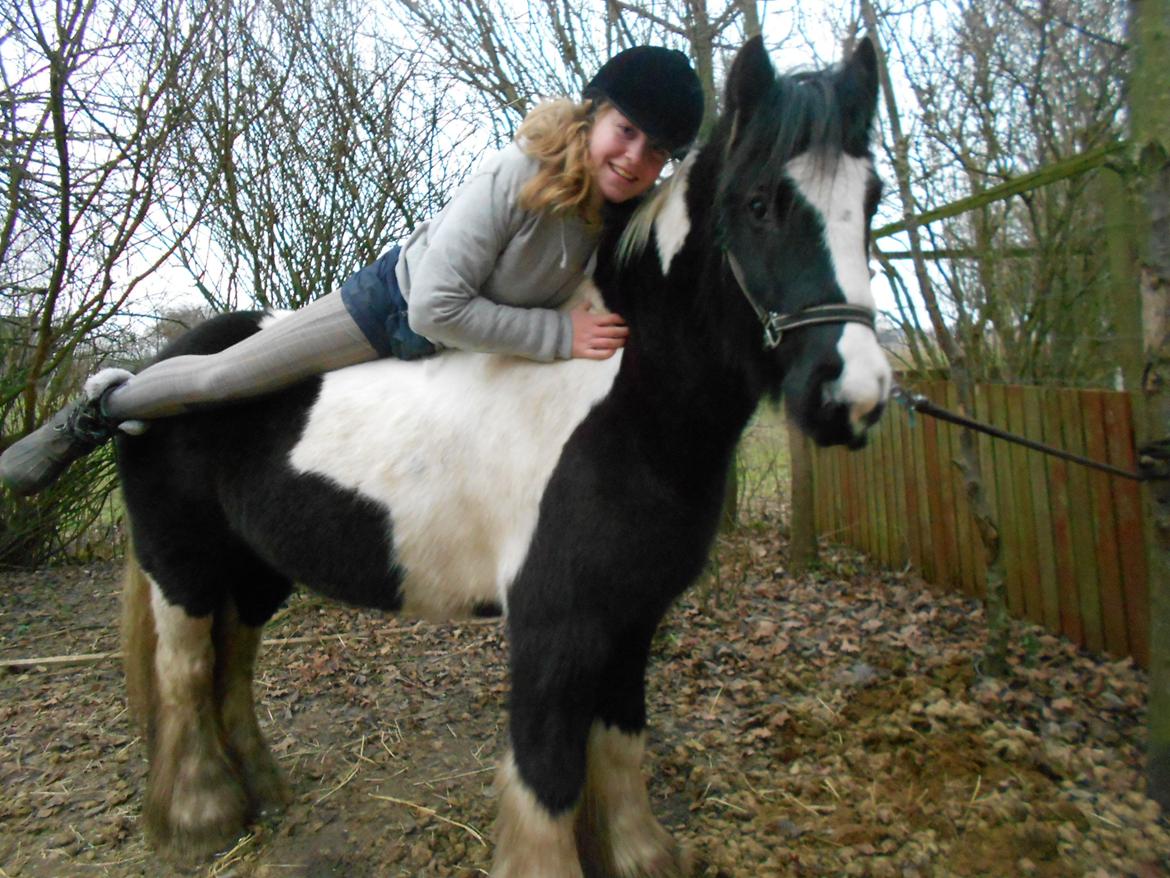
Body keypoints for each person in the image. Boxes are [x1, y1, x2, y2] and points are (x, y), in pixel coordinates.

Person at [0, 46, 704, 496]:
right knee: (224, 377)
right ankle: (96, 411)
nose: (636, 159)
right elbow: (435, 310)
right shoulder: (515, 173)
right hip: (389, 311)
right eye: (627, 132)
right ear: (591, 117)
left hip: (465, 353)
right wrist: (557, 334)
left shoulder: (615, 224)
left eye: (657, 152)